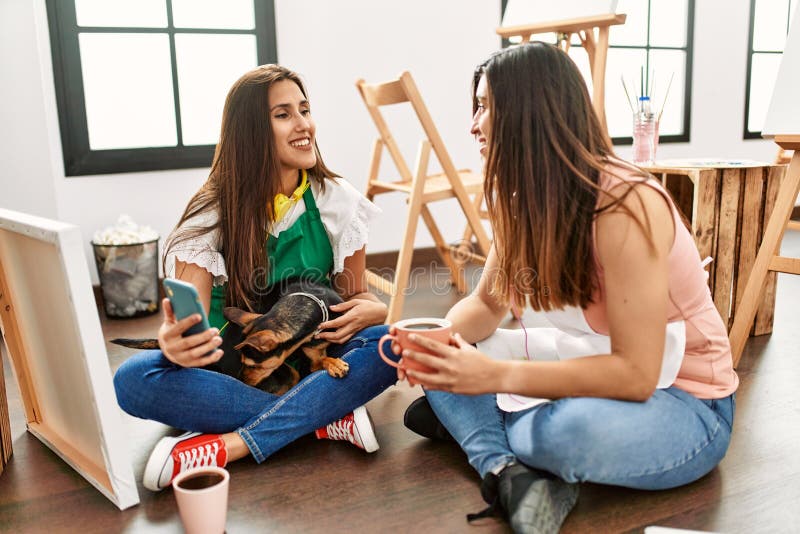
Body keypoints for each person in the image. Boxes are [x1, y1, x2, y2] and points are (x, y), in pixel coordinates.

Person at [396, 42, 738, 533]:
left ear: (531, 108)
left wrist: (491, 378)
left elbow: (637, 375)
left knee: (566, 434)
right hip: (583, 366)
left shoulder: (625, 206)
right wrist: (429, 340)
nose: (473, 124)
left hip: (685, 404)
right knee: (449, 355)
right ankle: (507, 471)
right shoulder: (522, 198)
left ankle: (485, 435)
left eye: (486, 106)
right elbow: (486, 306)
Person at [113, 64, 398, 492]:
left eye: (305, 109)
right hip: (229, 369)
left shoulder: (339, 201)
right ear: (250, 132)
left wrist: (376, 310)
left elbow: (351, 299)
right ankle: (321, 418)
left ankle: (231, 444)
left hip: (313, 361)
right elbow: (192, 326)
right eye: (283, 114)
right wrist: (175, 344)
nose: (304, 125)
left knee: (388, 345)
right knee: (132, 379)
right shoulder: (210, 214)